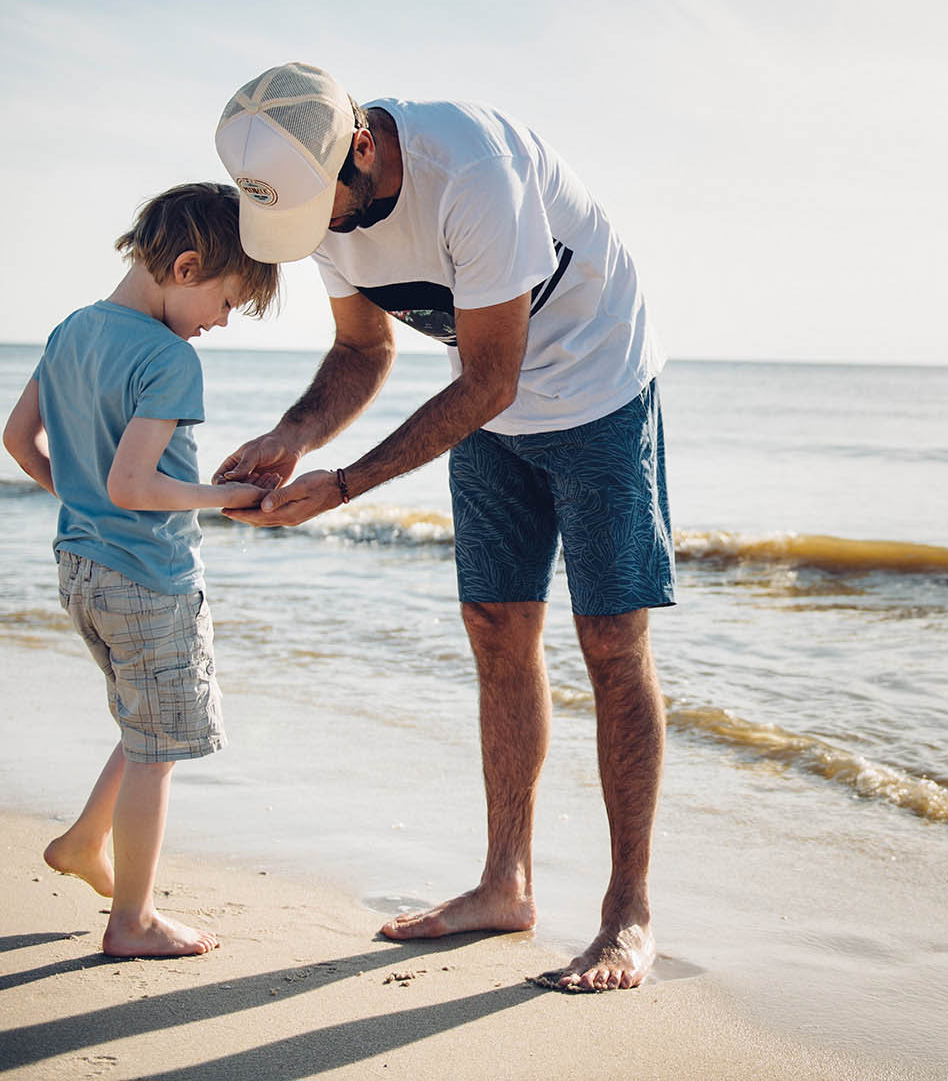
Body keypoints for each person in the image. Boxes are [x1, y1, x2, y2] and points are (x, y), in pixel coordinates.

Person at [211, 62, 672, 992]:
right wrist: (294, 437)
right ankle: (505, 882)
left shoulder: (471, 171)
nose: (322, 234)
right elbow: (360, 348)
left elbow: (490, 377)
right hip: (491, 411)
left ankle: (629, 912)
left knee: (609, 639)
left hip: (596, 387)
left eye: (326, 211)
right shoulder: (323, 203)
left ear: (364, 148)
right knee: (496, 625)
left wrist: (346, 485)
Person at [1, 182, 279, 958]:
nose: (222, 323)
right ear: (188, 267)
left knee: (145, 721)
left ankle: (86, 841)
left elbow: (19, 441)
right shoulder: (168, 357)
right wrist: (225, 495)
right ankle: (132, 918)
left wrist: (84, 501)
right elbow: (134, 485)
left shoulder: (71, 331)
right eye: (226, 302)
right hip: (150, 580)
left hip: (81, 569)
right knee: (159, 748)